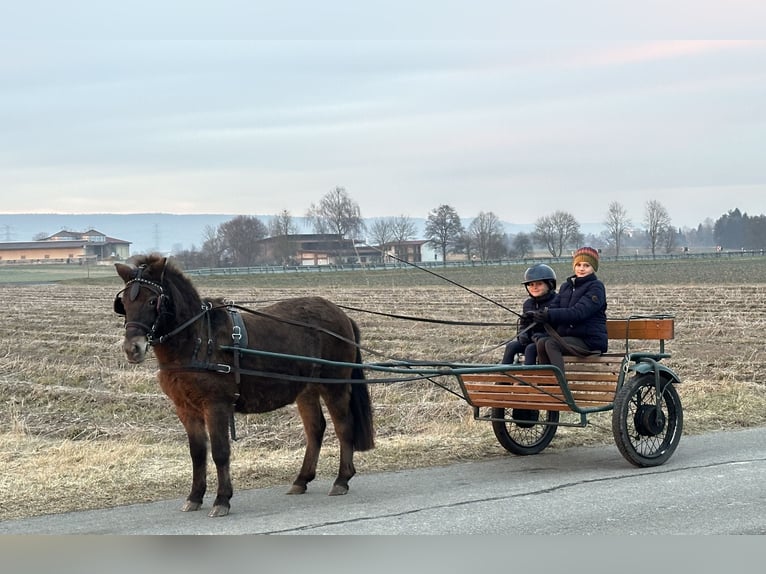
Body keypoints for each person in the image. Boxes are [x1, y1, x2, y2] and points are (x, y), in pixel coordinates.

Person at [527, 246, 608, 375]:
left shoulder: (596, 287)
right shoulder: (566, 286)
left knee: (551, 343)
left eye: (586, 265)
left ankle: (560, 384)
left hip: (589, 341)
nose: (581, 269)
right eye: (578, 265)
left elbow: (579, 313)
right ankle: (547, 385)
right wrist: (539, 315)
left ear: (594, 267)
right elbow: (554, 306)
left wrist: (550, 315)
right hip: (568, 337)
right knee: (542, 342)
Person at [502, 264, 558, 365]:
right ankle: (503, 379)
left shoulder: (557, 301)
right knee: (511, 346)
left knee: (530, 349)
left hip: (546, 341)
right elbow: (524, 325)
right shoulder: (528, 304)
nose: (534, 288)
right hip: (531, 340)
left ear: (550, 284)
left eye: (539, 284)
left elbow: (559, 327)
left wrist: (542, 334)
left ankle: (528, 378)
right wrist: (523, 334)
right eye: (531, 285)